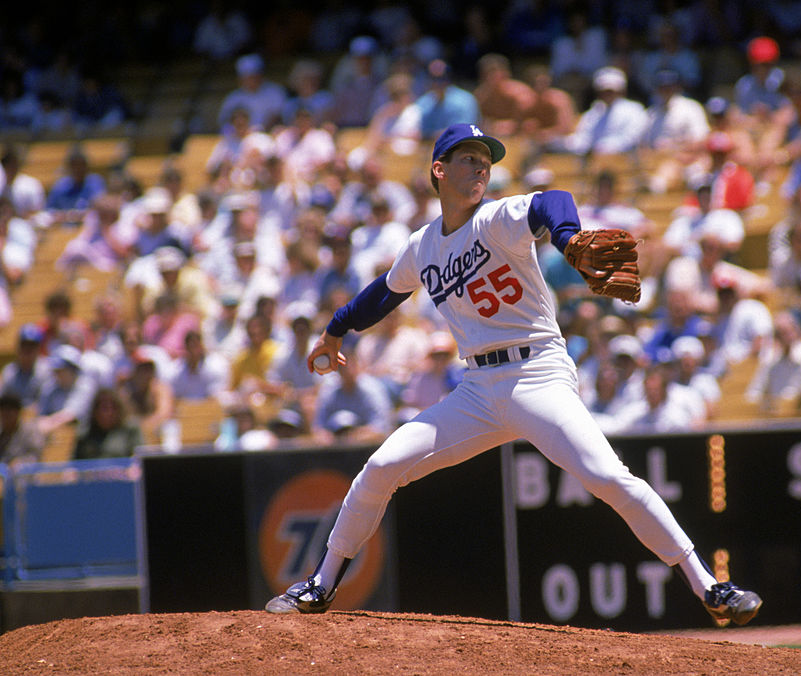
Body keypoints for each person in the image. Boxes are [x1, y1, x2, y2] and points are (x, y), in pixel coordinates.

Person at [265, 123, 763, 626]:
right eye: (469, 158)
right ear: (439, 170)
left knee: (608, 476)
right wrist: (335, 330)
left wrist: (567, 240)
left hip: (538, 374)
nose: (481, 166)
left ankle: (710, 586)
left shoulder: (496, 218)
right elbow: (383, 293)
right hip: (477, 391)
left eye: (486, 159)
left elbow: (554, 199)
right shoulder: (422, 246)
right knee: (380, 467)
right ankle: (321, 584)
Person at [72, 388, 143, 460]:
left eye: (114, 408)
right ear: (95, 411)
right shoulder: (85, 435)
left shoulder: (130, 431)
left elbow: (140, 458)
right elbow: (75, 464)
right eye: (104, 408)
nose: (109, 413)